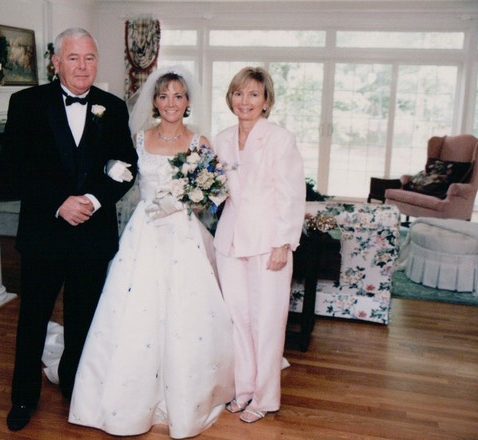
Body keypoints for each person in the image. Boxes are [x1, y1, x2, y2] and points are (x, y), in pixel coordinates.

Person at [68, 66, 234, 439]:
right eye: (163, 96)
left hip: (182, 235)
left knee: (184, 312)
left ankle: (186, 395)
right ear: (154, 102)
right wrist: (110, 166)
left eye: (178, 96)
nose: (170, 103)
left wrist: (185, 201)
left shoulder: (200, 142)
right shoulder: (139, 138)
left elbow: (215, 192)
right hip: (143, 234)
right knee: (135, 309)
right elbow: (110, 167)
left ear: (188, 101)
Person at [4, 27, 138, 432]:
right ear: (56, 62)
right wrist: (59, 202)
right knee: (33, 319)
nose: (83, 66)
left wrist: (94, 200)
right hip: (43, 235)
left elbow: (126, 166)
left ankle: (74, 385)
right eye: (74, 58)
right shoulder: (25, 103)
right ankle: (23, 398)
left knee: (83, 320)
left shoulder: (112, 107)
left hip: (92, 238)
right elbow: (14, 169)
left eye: (90, 58)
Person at [212, 67, 306, 424]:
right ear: (230, 98)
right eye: (239, 93)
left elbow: (291, 194)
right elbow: (218, 191)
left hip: (269, 242)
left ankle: (265, 398)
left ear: (266, 101)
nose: (245, 101)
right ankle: (244, 390)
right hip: (230, 241)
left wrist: (283, 243)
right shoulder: (221, 139)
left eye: (253, 94)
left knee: (267, 322)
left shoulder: (280, 139)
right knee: (238, 319)